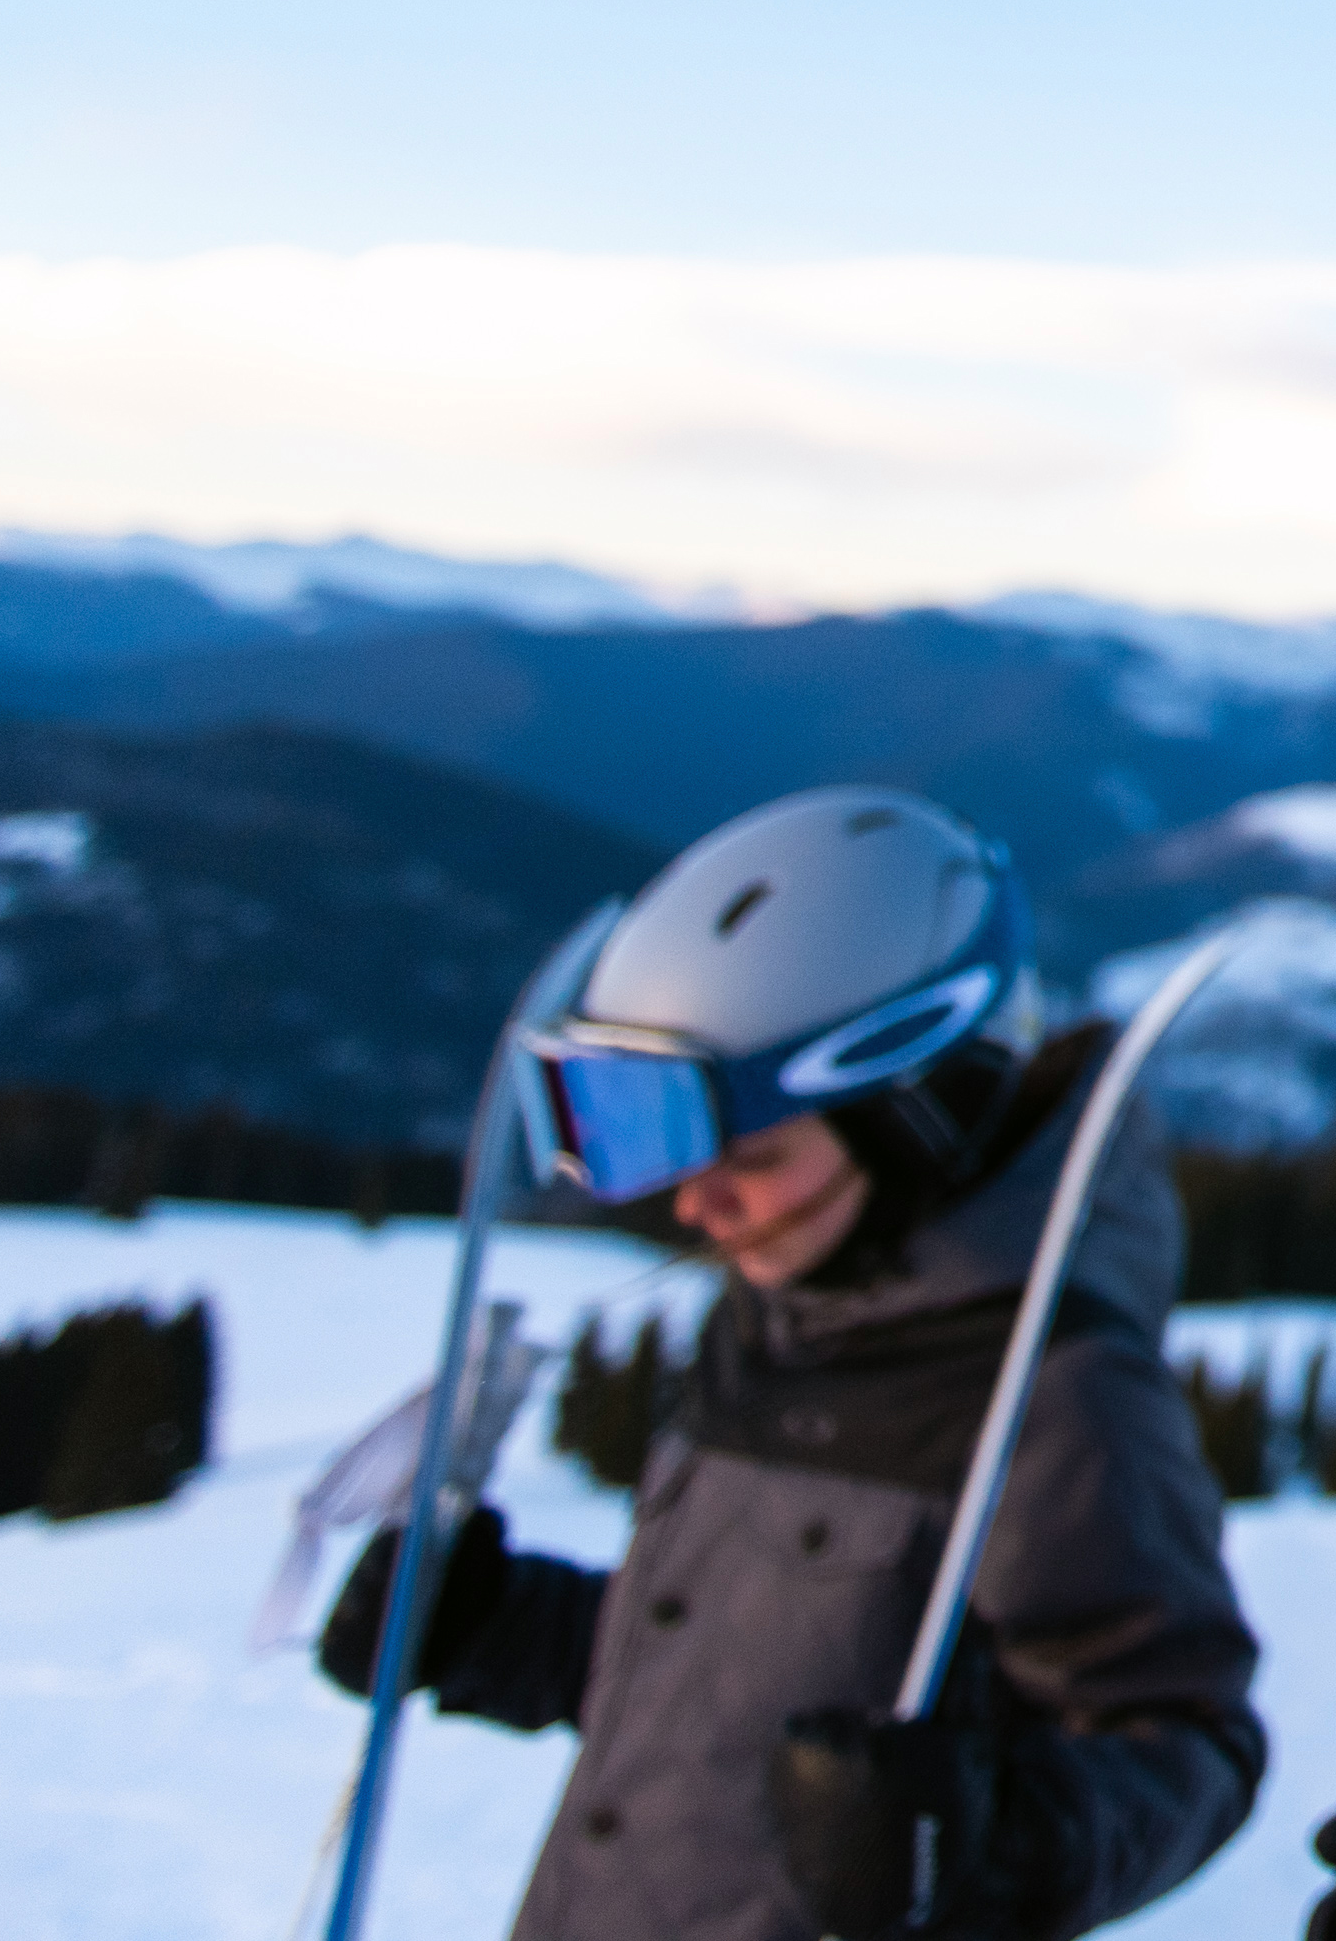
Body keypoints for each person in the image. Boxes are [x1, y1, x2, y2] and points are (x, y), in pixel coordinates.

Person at [315, 788, 1263, 1941]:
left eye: (753, 1153)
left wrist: (974, 1850)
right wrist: (492, 1626)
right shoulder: (785, 1303)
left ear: (911, 1113)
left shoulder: (1052, 1390)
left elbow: (1188, 1738)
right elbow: (742, 1673)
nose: (695, 1201)